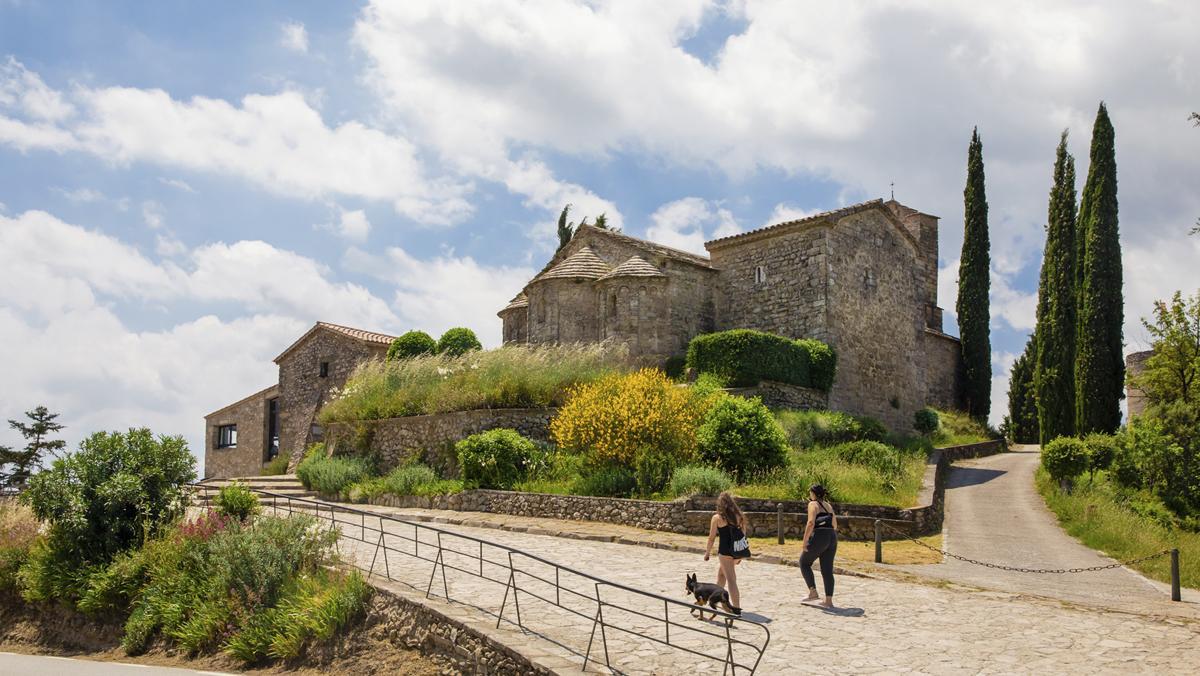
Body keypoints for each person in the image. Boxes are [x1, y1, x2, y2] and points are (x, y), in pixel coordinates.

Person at [704, 491, 750, 615]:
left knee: (731, 580)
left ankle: (736, 609)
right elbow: (743, 534)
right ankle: (715, 600)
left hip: (725, 552)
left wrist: (707, 553)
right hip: (737, 550)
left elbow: (711, 538)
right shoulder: (739, 516)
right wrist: (740, 554)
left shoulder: (717, 518)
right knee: (721, 575)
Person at [800, 484, 838, 608]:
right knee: (827, 570)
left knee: (804, 562)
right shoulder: (828, 506)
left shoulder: (813, 504)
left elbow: (811, 522)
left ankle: (813, 592)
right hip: (832, 536)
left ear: (814, 493)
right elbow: (835, 525)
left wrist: (805, 540)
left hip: (820, 536)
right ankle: (828, 601)